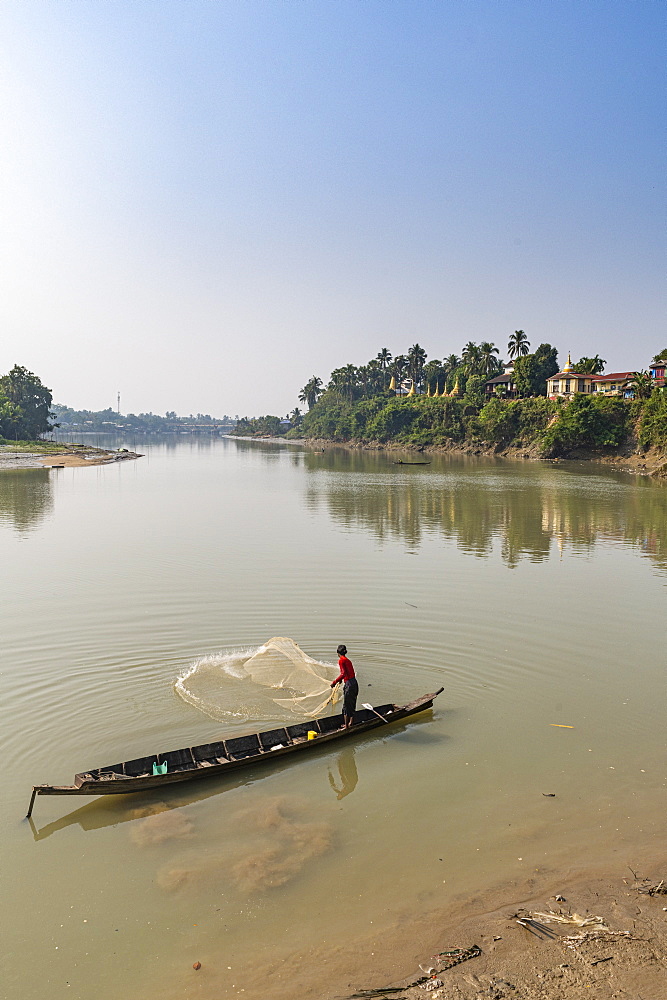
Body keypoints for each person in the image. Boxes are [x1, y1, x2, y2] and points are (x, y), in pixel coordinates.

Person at [331, 643, 358, 730]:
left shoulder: (341, 660)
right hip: (354, 683)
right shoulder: (348, 660)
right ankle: (351, 723)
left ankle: (346, 727)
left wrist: (334, 682)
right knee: (352, 703)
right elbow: (348, 673)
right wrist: (341, 680)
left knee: (346, 705)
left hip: (349, 685)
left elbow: (343, 673)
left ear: (337, 653)